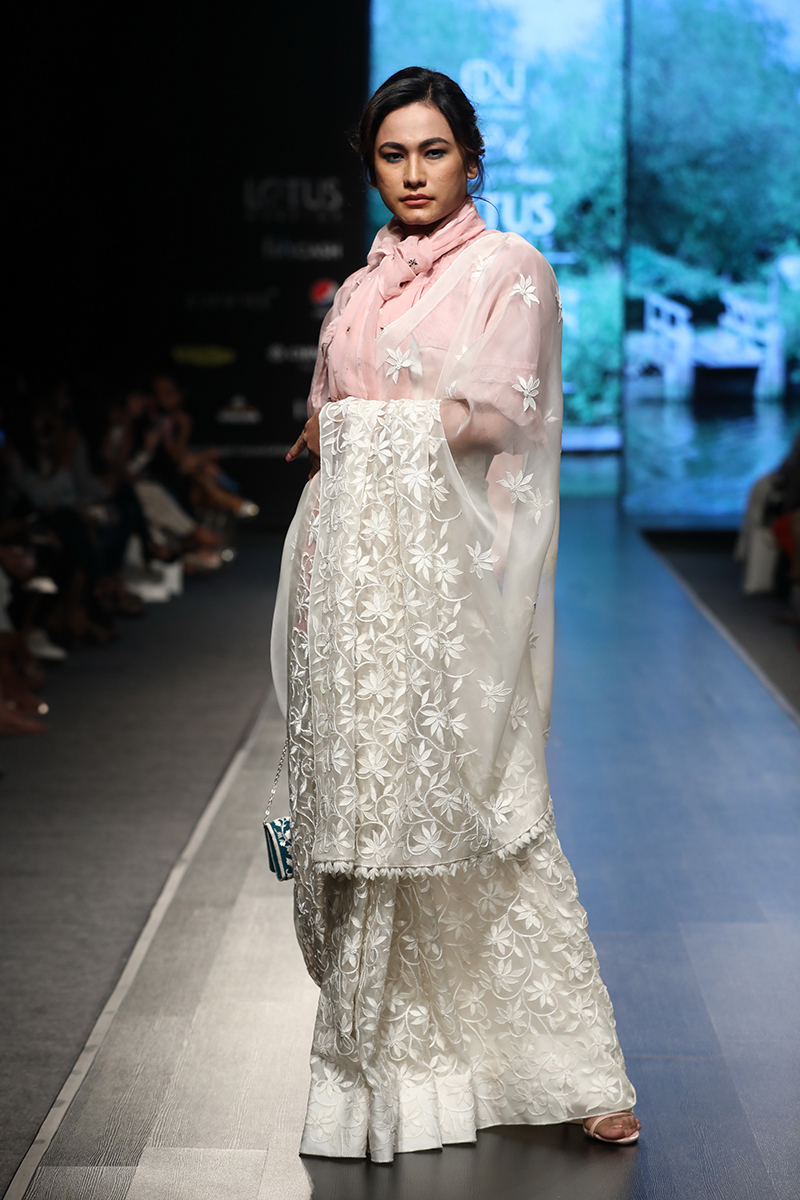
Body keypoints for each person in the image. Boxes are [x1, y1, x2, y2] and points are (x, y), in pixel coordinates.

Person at [272, 67, 640, 1162]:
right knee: (366, 828)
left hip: (452, 595)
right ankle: (392, 1071)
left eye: (433, 151)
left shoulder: (507, 270)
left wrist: (351, 431)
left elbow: (495, 413)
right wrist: (335, 437)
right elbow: (322, 427)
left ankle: (573, 1068)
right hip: (352, 594)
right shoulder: (356, 288)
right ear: (371, 166)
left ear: (471, 159)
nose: (414, 173)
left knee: (487, 810)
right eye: (392, 155)